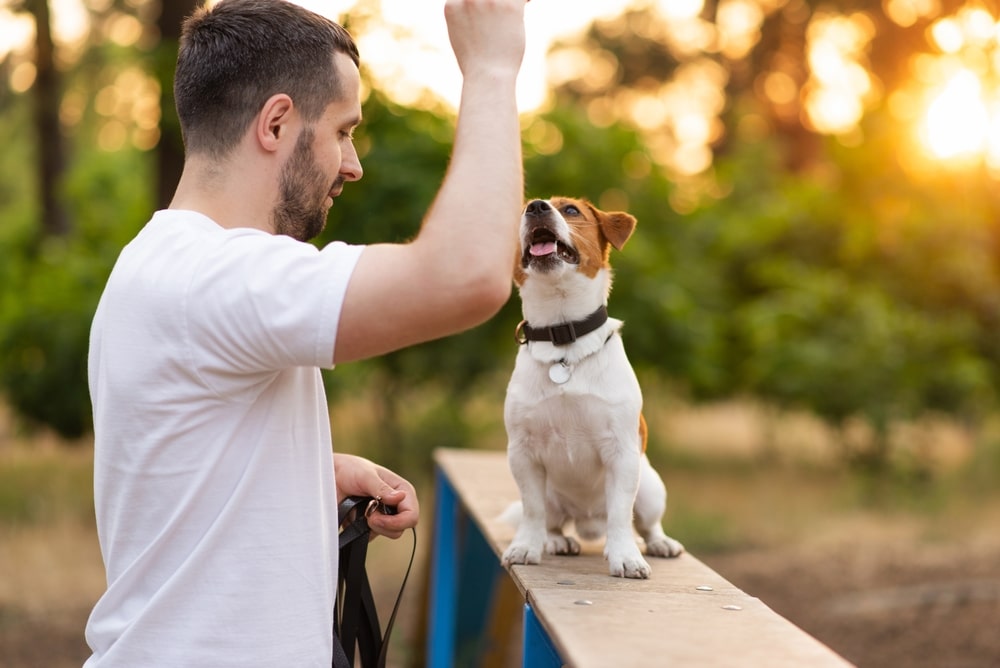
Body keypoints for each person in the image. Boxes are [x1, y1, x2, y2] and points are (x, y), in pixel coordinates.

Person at [84, 0, 526, 665]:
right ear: (278, 122)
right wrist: (491, 68)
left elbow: (175, 465)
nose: (353, 166)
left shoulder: (157, 263)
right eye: (344, 131)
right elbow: (467, 278)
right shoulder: (217, 275)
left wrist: (309, 474)